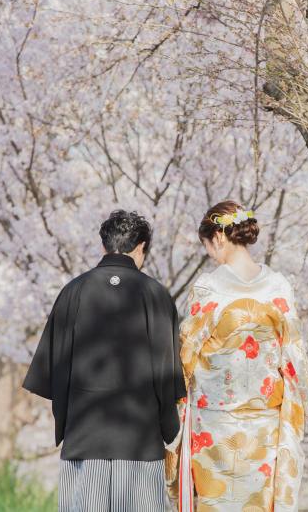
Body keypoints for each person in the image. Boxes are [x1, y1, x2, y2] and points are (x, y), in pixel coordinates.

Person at [22, 209, 186, 512]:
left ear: (104, 246)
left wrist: (66, 423)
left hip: (85, 435)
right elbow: (167, 373)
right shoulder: (155, 294)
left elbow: (54, 370)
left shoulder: (74, 291)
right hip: (140, 436)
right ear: (141, 248)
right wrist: (168, 428)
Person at [165, 201, 308, 512]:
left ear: (219, 238)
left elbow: (186, 355)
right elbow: (294, 349)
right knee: (257, 504)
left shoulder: (209, 288)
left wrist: (172, 405)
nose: (210, 254)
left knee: (215, 502)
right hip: (265, 424)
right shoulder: (278, 287)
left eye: (208, 246)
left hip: (214, 425)